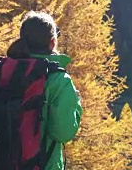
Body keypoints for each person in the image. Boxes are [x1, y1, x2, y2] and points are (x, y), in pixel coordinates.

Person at [5, 11, 83, 170]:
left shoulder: (5, 71)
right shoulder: (57, 80)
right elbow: (64, 132)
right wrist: (76, 103)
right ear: (53, 42)